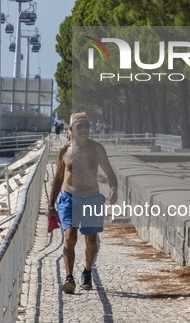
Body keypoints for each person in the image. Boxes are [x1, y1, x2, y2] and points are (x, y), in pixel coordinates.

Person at [47, 112, 118, 294]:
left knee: (91, 241)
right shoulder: (65, 151)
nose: (85, 130)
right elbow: (58, 177)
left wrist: (113, 188)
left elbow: (110, 173)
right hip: (70, 198)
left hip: (92, 198)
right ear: (71, 130)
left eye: (87, 126)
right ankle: (69, 277)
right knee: (70, 236)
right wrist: (50, 205)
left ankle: (87, 271)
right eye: (80, 127)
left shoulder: (97, 149)